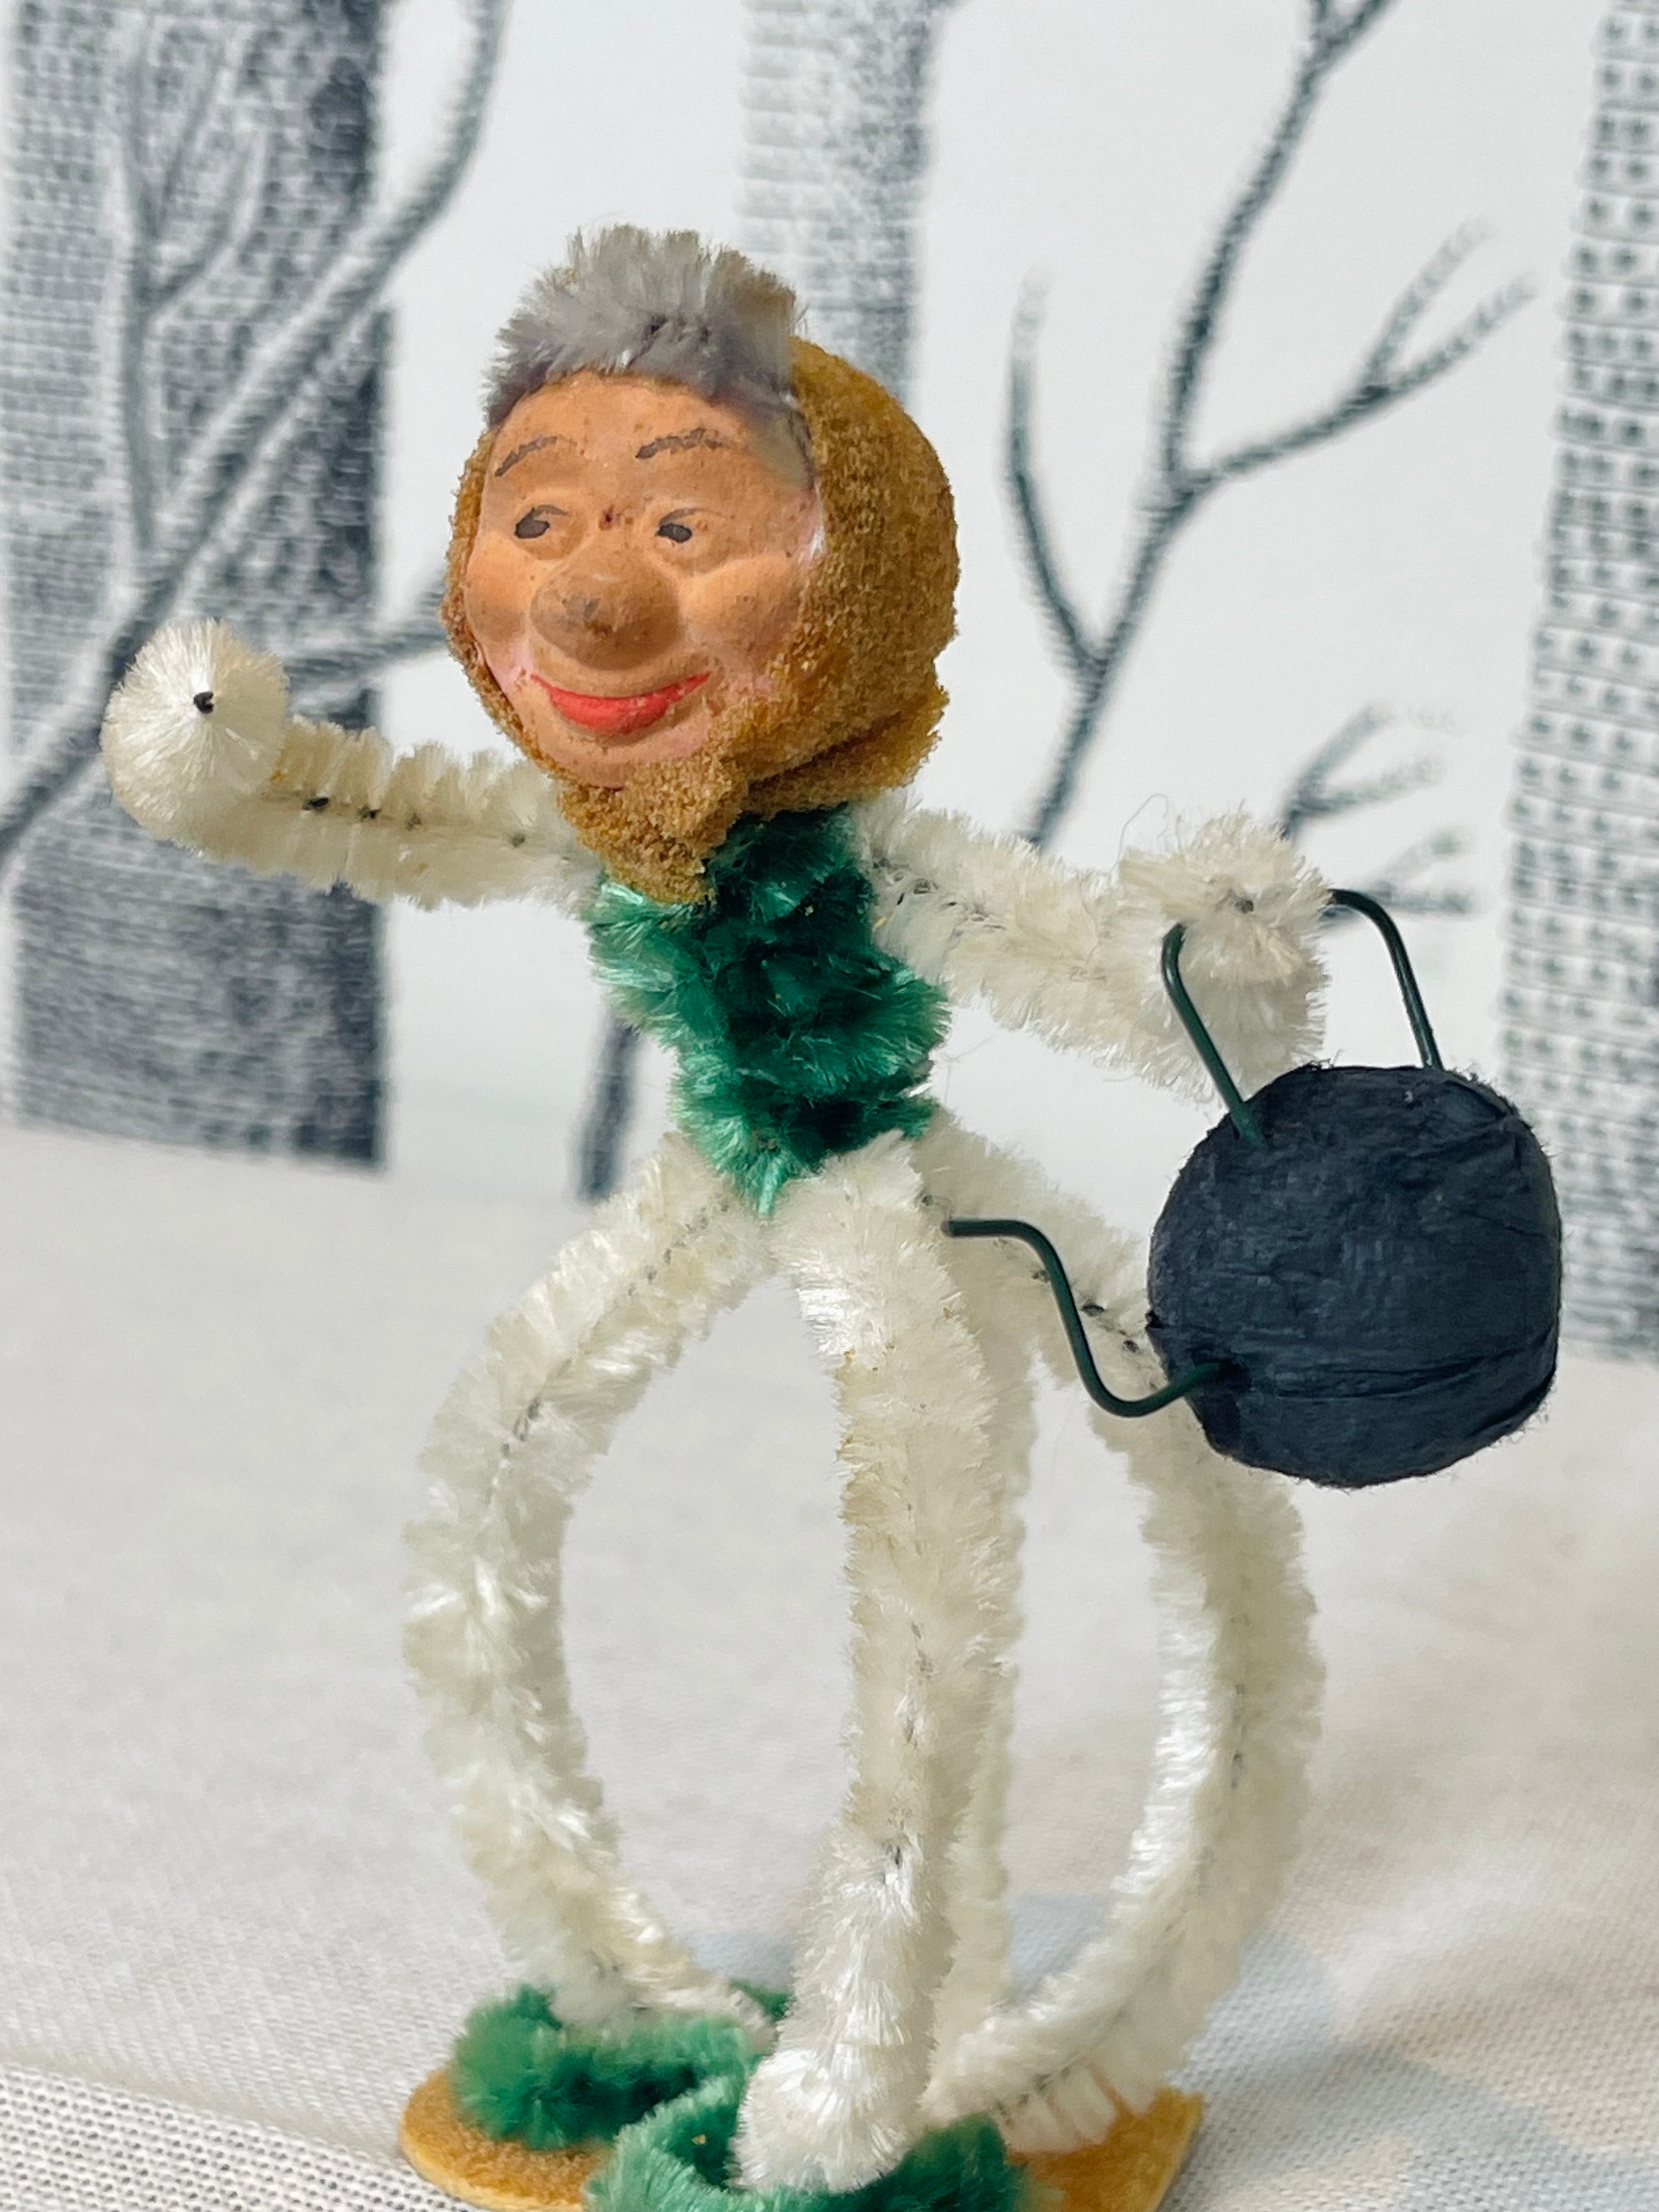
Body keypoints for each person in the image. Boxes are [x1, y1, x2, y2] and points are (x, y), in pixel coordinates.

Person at [101, 226, 1327, 2212]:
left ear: (858, 590)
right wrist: (218, 755)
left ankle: (880, 2094)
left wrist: (1220, 958)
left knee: (949, 1605)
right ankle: (608, 1996)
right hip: (717, 1180)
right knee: (497, 1482)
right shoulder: (577, 827)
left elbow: (1121, 979)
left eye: (685, 526)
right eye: (543, 520)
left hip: (891, 1201)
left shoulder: (873, 859)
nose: (591, 598)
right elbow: (355, 804)